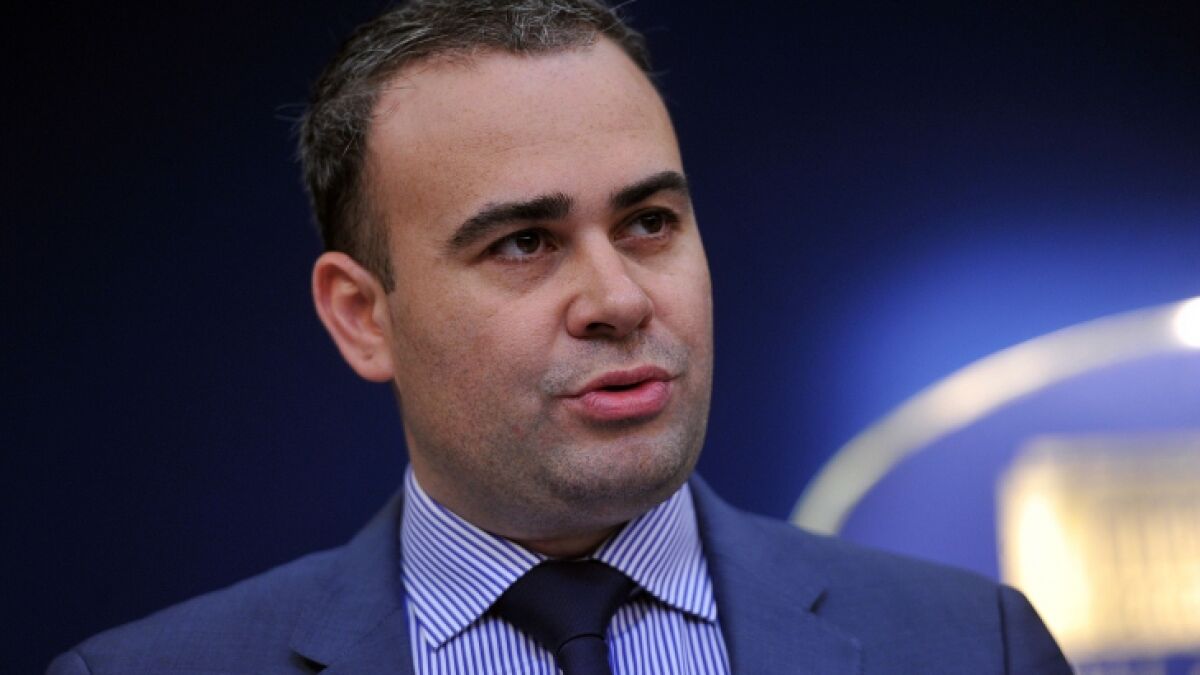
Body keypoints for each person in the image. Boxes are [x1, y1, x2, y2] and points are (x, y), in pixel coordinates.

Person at [48, 1, 1072, 673]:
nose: (618, 298)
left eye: (649, 223)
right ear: (362, 316)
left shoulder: (970, 647)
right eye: (525, 242)